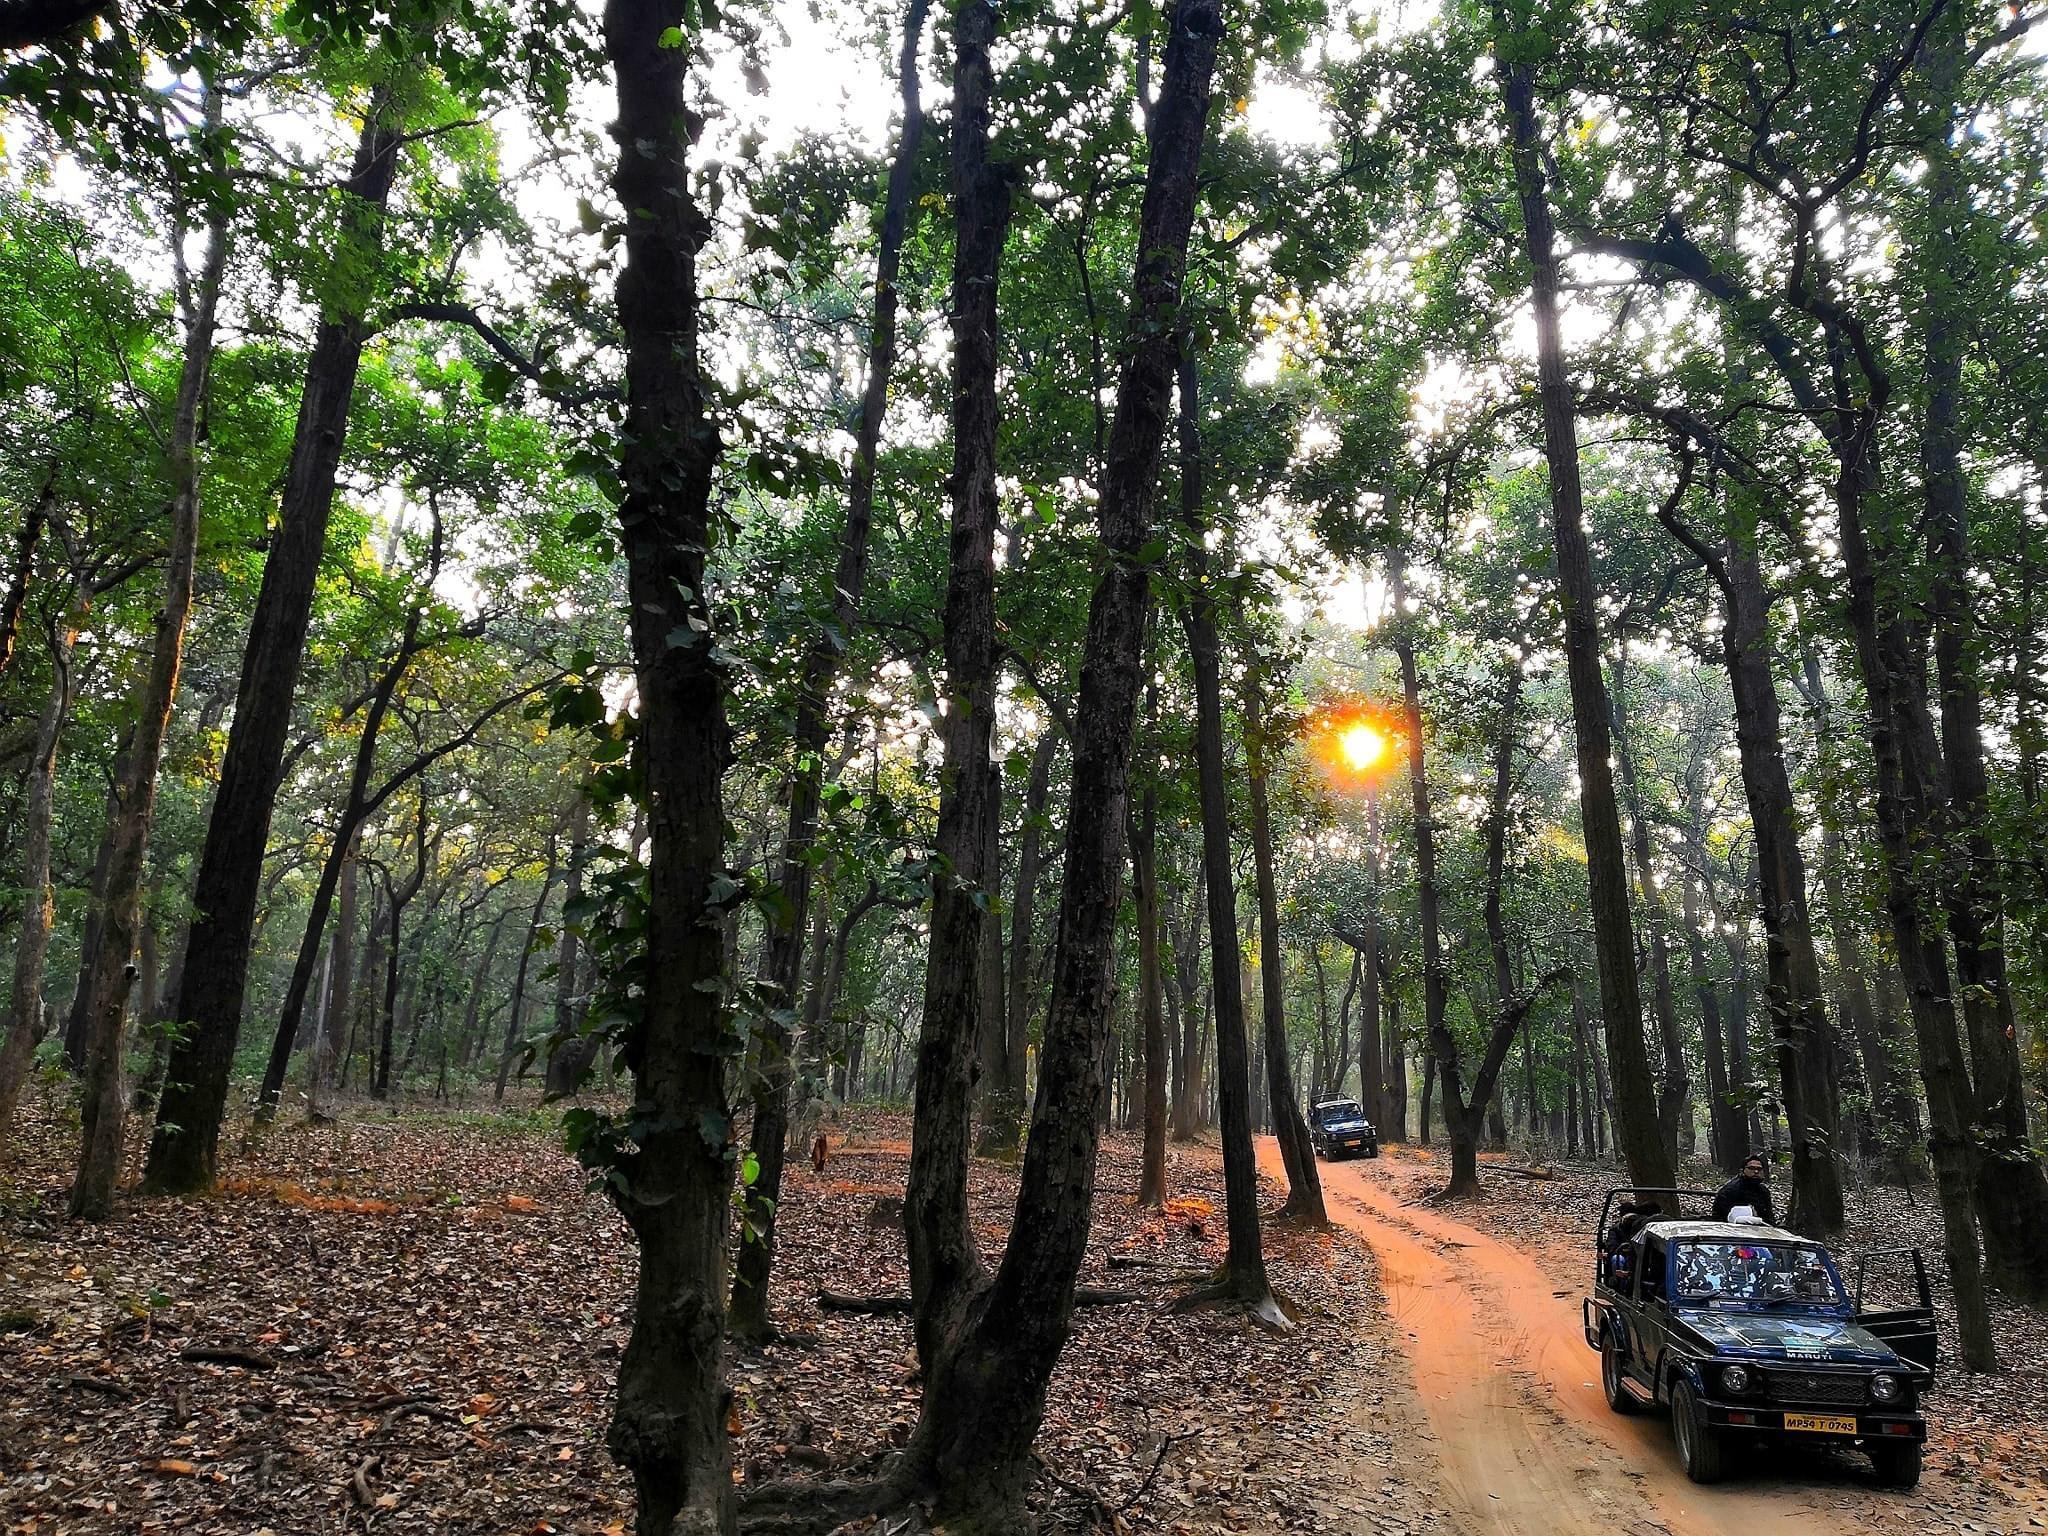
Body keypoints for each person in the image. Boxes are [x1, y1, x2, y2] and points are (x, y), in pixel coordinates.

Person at [1713, 1154, 1776, 1225]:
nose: (1756, 1171)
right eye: (1751, 1168)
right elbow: (1719, 1216)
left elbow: (1769, 1216)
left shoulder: (1764, 1191)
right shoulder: (1731, 1190)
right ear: (1742, 1170)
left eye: (1759, 1169)